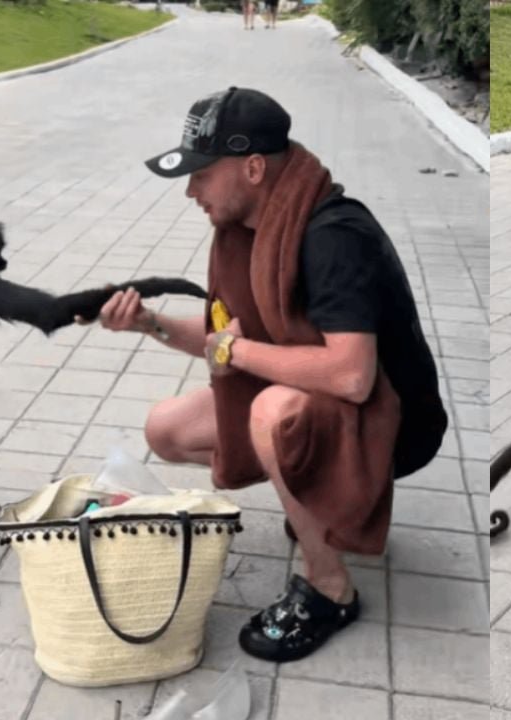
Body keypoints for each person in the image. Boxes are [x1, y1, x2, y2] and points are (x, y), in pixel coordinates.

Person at [86, 87, 448, 663]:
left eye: (202, 174)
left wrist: (237, 354)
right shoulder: (250, 231)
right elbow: (222, 340)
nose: (190, 191)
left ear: (253, 167)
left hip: (395, 423)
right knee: (166, 430)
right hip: (332, 402)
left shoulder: (332, 236)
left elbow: (353, 375)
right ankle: (315, 500)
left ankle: (330, 589)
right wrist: (148, 323)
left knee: (270, 414)